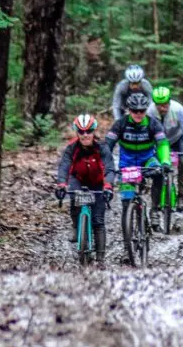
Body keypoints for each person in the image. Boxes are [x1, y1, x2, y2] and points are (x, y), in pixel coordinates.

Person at [54, 114, 116, 266]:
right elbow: (64, 166)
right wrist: (61, 184)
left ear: (94, 131)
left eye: (88, 131)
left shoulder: (102, 148)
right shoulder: (72, 148)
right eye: (81, 132)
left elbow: (109, 168)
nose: (85, 135)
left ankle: (100, 259)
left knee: (98, 221)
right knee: (75, 198)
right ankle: (76, 227)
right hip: (78, 179)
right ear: (77, 132)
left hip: (98, 183)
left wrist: (108, 186)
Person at [105, 92, 172, 233]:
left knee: (159, 173)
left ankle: (154, 211)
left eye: (142, 111)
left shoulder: (153, 123)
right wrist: (105, 163)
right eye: (135, 111)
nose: (138, 114)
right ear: (129, 110)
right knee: (126, 202)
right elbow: (107, 145)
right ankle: (127, 242)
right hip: (127, 164)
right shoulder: (120, 124)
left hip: (148, 160)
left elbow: (162, 144)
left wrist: (165, 161)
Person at [147, 87, 183, 212]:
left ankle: (181, 196)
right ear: (155, 104)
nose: (162, 108)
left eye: (165, 105)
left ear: (169, 102)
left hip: (176, 139)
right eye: (159, 106)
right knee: (156, 168)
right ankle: (155, 202)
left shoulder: (177, 109)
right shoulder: (149, 111)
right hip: (158, 142)